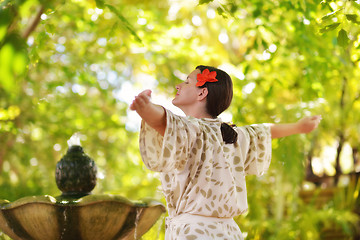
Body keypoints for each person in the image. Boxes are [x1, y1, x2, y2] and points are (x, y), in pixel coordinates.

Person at [130, 65, 321, 240]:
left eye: (187, 81)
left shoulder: (191, 129)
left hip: (194, 233)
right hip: (228, 232)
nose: (179, 85)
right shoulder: (234, 135)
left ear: (202, 92)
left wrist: (145, 107)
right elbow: (266, 130)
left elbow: (160, 119)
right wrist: (298, 127)